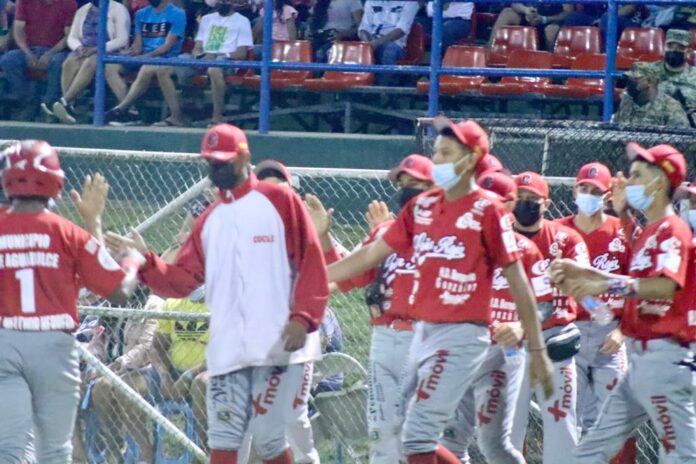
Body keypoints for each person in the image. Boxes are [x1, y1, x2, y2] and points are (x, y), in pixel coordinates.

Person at [327, 116, 553, 464]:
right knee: (403, 432)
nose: (438, 159)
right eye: (436, 152)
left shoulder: (487, 210)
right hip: (423, 332)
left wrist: (536, 349)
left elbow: (518, 280)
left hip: (463, 334)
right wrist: (314, 277)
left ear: (471, 159)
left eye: (447, 152)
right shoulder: (422, 207)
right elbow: (371, 255)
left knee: (418, 436)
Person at [106, 124, 329, 464]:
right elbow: (181, 281)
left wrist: (303, 317)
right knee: (222, 439)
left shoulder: (280, 201)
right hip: (229, 345)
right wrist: (145, 261)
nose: (217, 168)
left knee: (269, 437)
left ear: (244, 156)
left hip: (278, 342)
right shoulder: (209, 220)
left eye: (224, 161)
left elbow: (312, 263)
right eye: (211, 162)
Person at [550, 143, 696, 462]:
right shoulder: (651, 230)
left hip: (665, 360)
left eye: (638, 175)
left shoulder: (673, 229)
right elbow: (632, 272)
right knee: (591, 449)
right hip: (640, 360)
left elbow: (665, 286)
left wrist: (601, 283)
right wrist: (584, 272)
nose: (630, 183)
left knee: (681, 457)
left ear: (658, 182)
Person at [0, 140, 140, 463]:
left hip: (4, 343)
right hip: (54, 346)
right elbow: (118, 290)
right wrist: (133, 261)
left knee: (9, 450)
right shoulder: (67, 233)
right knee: (55, 451)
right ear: (54, 181)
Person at [308, 153, 433, 463]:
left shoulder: (448, 230)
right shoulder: (385, 233)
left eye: (416, 183)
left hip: (428, 336)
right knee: (381, 430)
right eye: (403, 184)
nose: (408, 190)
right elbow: (347, 275)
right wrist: (323, 236)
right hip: (385, 336)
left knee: (423, 433)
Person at [441, 171, 554, 464]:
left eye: (496, 203)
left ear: (508, 206)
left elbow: (545, 306)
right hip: (462, 350)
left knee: (493, 444)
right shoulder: (457, 245)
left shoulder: (526, 250)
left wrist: (521, 326)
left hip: (502, 354)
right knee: (450, 439)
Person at [509, 170, 589, 464]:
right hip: (512, 342)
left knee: (562, 424)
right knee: (507, 428)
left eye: (533, 198)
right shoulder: (498, 236)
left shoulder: (566, 238)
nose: (525, 203)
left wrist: (567, 275)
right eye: (520, 197)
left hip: (554, 339)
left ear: (547, 203)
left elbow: (584, 280)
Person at [554, 163, 630, 432]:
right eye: (584, 188)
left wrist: (622, 331)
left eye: (596, 191)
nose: (588, 194)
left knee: (610, 418)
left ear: (607, 196)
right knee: (568, 418)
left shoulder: (623, 231)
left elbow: (639, 286)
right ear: (574, 191)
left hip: (608, 332)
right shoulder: (556, 231)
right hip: (568, 329)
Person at [104, 0, 186, 127]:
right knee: (110, 66)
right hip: (143, 56)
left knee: (147, 67)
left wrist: (145, 57)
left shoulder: (178, 14)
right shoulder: (141, 14)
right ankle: (131, 112)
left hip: (166, 57)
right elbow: (138, 46)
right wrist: (130, 53)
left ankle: (121, 108)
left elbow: (167, 46)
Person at [51, 0, 130, 124]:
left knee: (91, 62)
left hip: (110, 51)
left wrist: (98, 49)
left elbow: (122, 39)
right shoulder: (82, 10)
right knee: (69, 63)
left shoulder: (118, 9)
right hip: (84, 50)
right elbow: (72, 37)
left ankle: (64, 101)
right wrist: (79, 48)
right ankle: (70, 108)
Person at [176, 0, 252, 125]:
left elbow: (241, 53)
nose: (221, 2)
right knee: (181, 60)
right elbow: (197, 47)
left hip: (227, 60)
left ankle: (217, 116)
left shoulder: (242, 21)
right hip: (204, 59)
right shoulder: (206, 19)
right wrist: (200, 56)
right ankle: (188, 107)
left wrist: (216, 55)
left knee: (214, 68)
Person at [0, 0, 77, 120]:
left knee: (57, 63)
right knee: (8, 60)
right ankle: (26, 101)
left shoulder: (68, 3)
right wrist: (27, 53)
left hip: (58, 51)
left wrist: (50, 53)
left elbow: (68, 36)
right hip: (29, 49)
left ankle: (50, 106)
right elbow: (18, 30)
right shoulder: (24, 1)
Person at [358, 0, 418, 86]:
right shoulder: (371, 2)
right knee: (357, 50)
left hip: (395, 44)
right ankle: (357, 88)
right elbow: (363, 28)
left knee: (390, 50)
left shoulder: (410, 3)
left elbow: (402, 30)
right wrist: (367, 43)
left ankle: (382, 89)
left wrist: (376, 43)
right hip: (371, 42)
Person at [612, 67, 690, 127]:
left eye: (635, 79)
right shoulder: (626, 101)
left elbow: (680, 139)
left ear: (649, 81)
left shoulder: (670, 107)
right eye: (629, 79)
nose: (629, 83)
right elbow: (615, 130)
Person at [489, 2, 573, 51]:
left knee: (551, 30)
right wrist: (525, 10)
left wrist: (544, 19)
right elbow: (514, 3)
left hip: (550, 20)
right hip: (528, 16)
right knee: (507, 12)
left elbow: (568, 12)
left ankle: (550, 67)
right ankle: (488, 55)